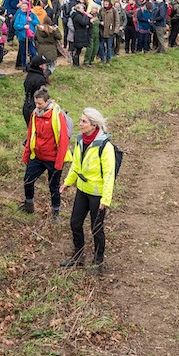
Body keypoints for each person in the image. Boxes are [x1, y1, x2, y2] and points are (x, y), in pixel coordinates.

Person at [61, 108, 117, 272]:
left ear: (94, 125)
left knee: (96, 228)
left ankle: (98, 262)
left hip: (97, 195)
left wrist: (105, 199)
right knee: (75, 223)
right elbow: (76, 165)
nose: (80, 124)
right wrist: (67, 183)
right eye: (80, 120)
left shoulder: (105, 147)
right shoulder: (80, 141)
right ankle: (78, 257)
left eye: (84, 121)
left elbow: (109, 174)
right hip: (82, 190)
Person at [20, 88, 72, 218]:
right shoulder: (34, 114)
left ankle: (55, 213)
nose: (37, 106)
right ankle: (29, 205)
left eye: (40, 104)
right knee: (28, 181)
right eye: (36, 103)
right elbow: (31, 135)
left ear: (47, 102)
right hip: (37, 156)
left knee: (53, 186)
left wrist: (59, 163)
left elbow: (63, 140)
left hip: (53, 159)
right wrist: (26, 155)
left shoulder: (57, 115)